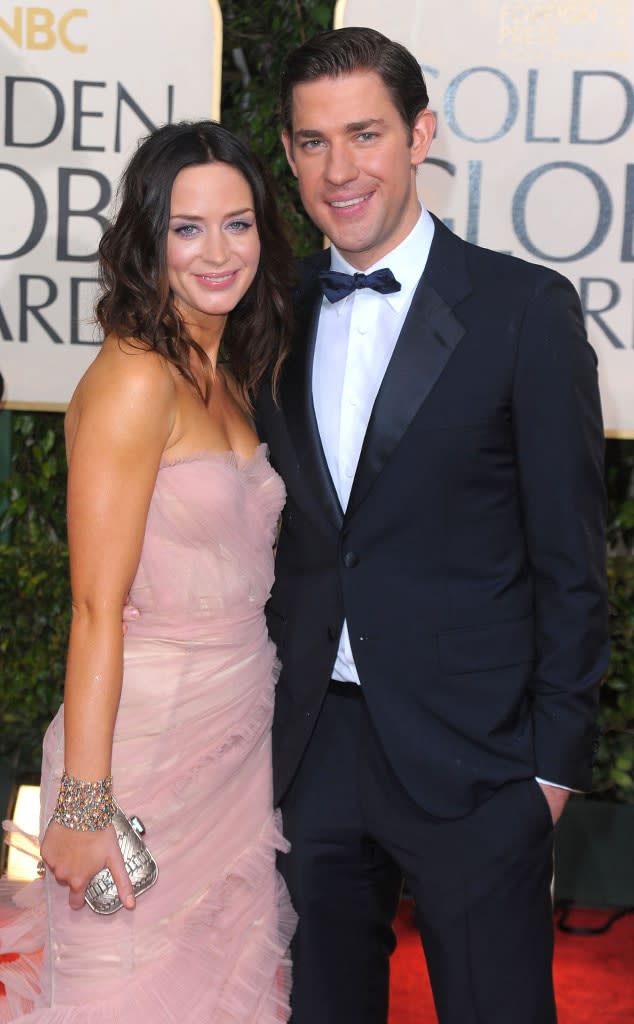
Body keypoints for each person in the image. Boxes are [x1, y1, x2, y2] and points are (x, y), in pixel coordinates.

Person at [255, 27, 609, 1024]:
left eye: (364, 134)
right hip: (308, 755)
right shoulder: (267, 315)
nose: (339, 168)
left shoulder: (520, 310)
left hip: (477, 764)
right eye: (313, 142)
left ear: (420, 136)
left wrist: (548, 773)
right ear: (287, 155)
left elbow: (571, 561)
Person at [1, 120, 296, 1022]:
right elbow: (95, 608)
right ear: (149, 239)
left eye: (238, 224)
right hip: (140, 759)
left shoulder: (229, 369)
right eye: (189, 228)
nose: (218, 252)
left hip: (234, 749)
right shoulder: (135, 378)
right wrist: (84, 807)